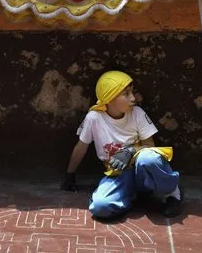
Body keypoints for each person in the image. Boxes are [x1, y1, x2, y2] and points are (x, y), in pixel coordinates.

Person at [60, 70, 183, 219]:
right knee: (100, 208)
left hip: (141, 172)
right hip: (118, 174)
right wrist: (70, 175)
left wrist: (130, 151)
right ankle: (129, 195)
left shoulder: (137, 113)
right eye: (126, 94)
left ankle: (172, 193)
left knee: (149, 158)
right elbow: (81, 147)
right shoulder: (94, 118)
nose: (133, 98)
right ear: (110, 98)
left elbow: (150, 146)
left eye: (132, 92)